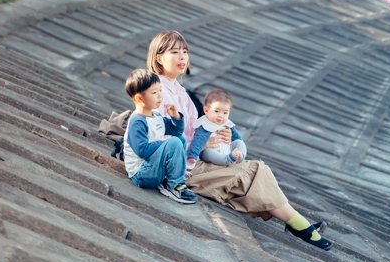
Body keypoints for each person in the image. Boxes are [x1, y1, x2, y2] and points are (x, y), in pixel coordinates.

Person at [146, 30, 332, 250]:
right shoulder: (157, 89)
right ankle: (300, 225)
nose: (182, 57)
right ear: (159, 58)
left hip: (193, 160)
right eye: (175, 52)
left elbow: (193, 130)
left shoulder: (180, 91)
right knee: (251, 172)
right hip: (180, 167)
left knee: (255, 169)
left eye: (185, 52)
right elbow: (160, 134)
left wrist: (215, 135)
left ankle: (298, 223)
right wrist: (202, 144)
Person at [122, 66, 197, 204]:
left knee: (179, 139)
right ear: (139, 98)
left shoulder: (155, 115)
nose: (160, 96)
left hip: (152, 167)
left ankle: (174, 176)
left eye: (160, 90)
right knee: (173, 142)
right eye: (154, 92)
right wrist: (164, 144)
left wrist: (176, 118)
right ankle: (174, 186)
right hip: (141, 173)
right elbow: (142, 150)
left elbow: (176, 132)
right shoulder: (137, 121)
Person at [187, 87, 248, 167]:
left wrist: (233, 143)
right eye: (216, 111)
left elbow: (237, 138)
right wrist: (192, 156)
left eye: (225, 113)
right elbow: (197, 142)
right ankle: (228, 160)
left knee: (239, 143)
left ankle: (240, 156)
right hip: (210, 150)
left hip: (226, 149)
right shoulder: (204, 125)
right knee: (208, 153)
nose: (220, 116)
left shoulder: (227, 124)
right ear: (206, 110)